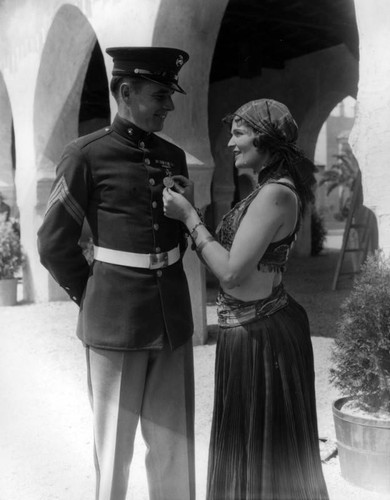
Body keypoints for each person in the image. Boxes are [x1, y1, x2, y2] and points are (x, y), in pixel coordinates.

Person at [37, 47, 195, 500]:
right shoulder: (84, 154)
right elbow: (52, 242)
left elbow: (178, 232)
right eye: (161, 95)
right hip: (114, 321)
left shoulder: (172, 157)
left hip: (172, 319)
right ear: (126, 92)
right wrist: (91, 294)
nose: (169, 106)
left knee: (174, 447)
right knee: (114, 450)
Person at [163, 98, 329, 500]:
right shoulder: (266, 192)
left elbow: (233, 271)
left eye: (238, 133)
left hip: (261, 335)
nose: (230, 143)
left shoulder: (274, 194)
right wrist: (197, 209)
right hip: (254, 329)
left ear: (264, 139)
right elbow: (235, 252)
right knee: (256, 454)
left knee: (263, 457)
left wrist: (189, 218)